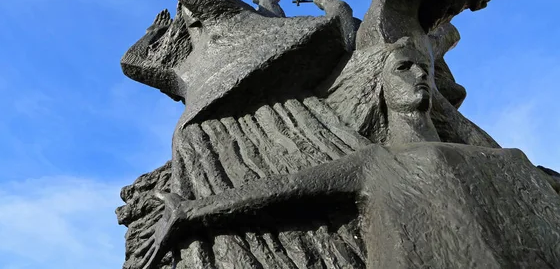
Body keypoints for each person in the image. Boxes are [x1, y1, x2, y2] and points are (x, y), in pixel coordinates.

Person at [134, 36, 442, 269]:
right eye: (404, 67)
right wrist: (191, 211)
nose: (420, 75)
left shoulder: (473, 156)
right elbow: (286, 187)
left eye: (424, 68)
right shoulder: (376, 162)